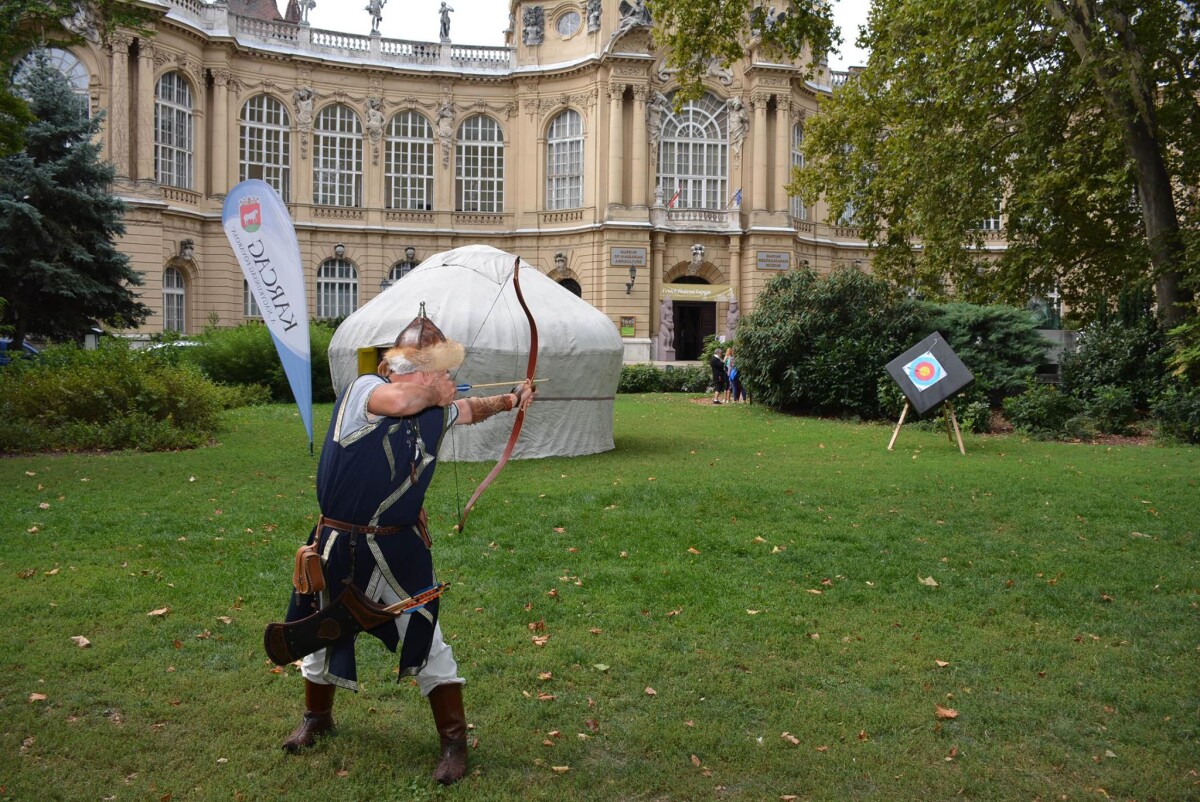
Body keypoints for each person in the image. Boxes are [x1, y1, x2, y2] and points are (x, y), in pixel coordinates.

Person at [278, 305, 535, 786]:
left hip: (396, 550)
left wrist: (511, 399)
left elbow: (468, 408)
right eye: (436, 368)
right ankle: (316, 717)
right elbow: (397, 402)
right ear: (402, 369)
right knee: (320, 630)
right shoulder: (364, 391)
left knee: (425, 640)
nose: (447, 378)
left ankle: (454, 743)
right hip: (336, 543)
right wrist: (430, 390)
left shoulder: (432, 410)